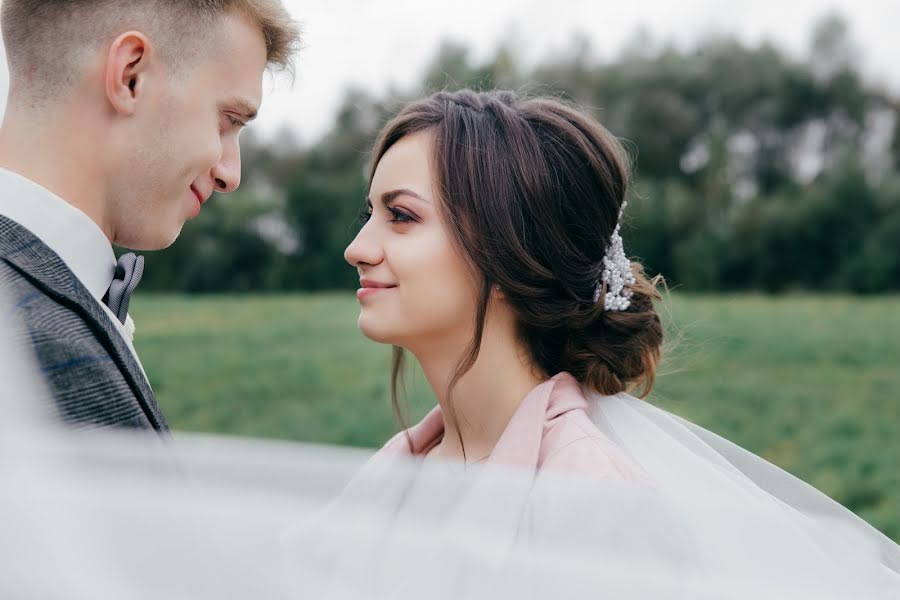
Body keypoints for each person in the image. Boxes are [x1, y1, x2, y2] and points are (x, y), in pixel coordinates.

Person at [329, 89, 900, 596]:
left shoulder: (593, 499)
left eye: (401, 216)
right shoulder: (398, 467)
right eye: (370, 213)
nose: (358, 247)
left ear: (508, 254)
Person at [0, 0, 300, 432]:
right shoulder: (24, 346)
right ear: (130, 76)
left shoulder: (49, 296)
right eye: (227, 119)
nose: (230, 175)